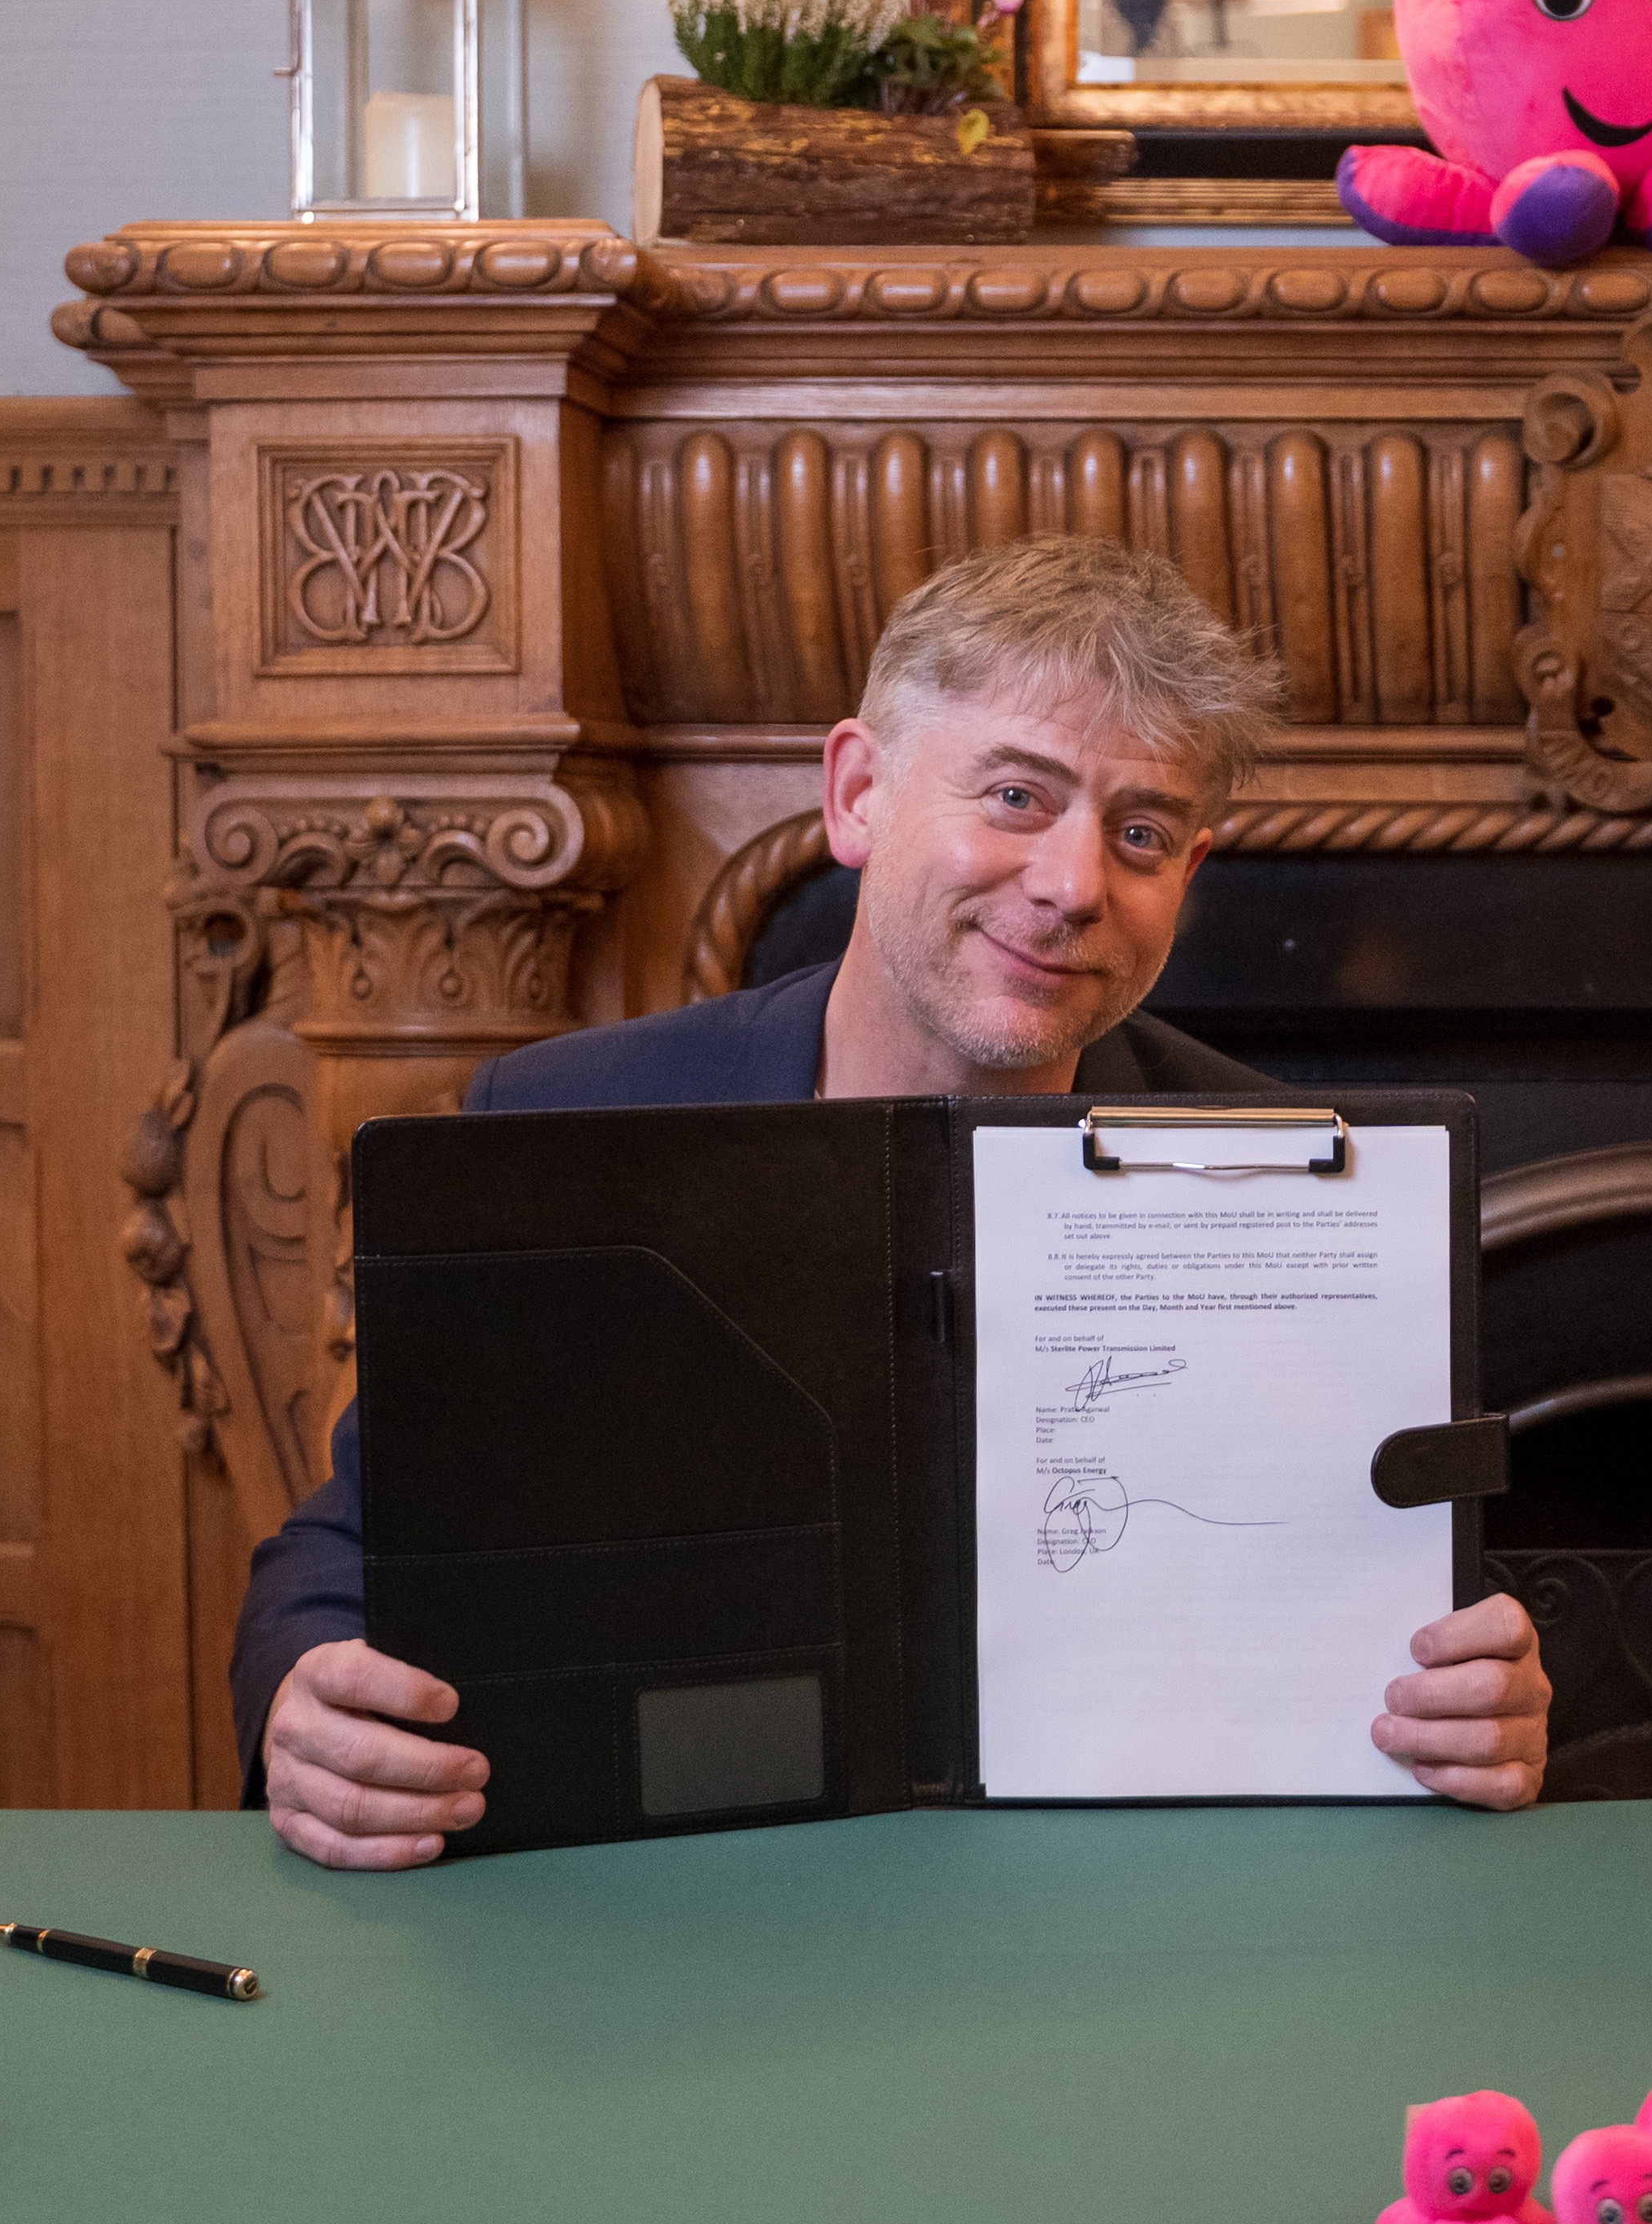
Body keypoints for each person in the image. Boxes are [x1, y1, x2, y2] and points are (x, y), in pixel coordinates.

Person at [238, 536, 1555, 1866]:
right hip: (683, 1897)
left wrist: (1470, 1705)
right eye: (1016, 796)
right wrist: (306, 1699)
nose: (1073, 884)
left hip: (1145, 1902)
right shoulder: (555, 1122)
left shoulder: (1305, 1186)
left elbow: (1379, 1605)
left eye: (1140, 833)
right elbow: (346, 1544)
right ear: (858, 793)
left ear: (1188, 874)